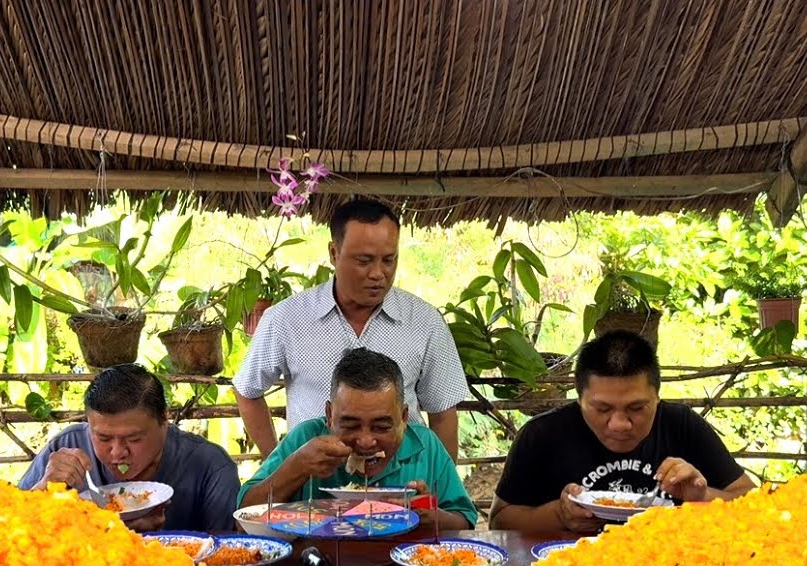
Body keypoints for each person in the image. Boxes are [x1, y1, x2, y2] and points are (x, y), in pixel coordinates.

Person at [233, 198, 469, 460]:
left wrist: (438, 489)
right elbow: (247, 391)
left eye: (389, 260)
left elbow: (443, 414)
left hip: (403, 486)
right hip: (315, 489)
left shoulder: (425, 322)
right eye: (364, 261)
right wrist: (280, 462)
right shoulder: (286, 319)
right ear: (334, 253)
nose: (378, 273)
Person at [491, 330, 755, 533]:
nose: (619, 423)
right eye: (602, 409)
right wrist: (559, 515)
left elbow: (754, 504)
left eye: (637, 407)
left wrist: (702, 496)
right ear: (579, 398)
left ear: (657, 397)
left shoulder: (681, 425)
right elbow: (500, 521)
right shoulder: (543, 435)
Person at [238, 347, 477, 529]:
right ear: (330, 415)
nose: (365, 441)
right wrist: (296, 468)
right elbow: (244, 517)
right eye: (350, 425)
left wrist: (428, 515)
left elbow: (465, 521)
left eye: (381, 427)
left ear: (404, 417)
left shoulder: (426, 446)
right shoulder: (305, 439)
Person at [19, 364, 238, 533]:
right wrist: (43, 488)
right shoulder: (65, 448)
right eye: (103, 438)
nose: (117, 453)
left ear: (164, 419)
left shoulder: (211, 466)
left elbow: (227, 560)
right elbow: (1, 532)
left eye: (133, 439)